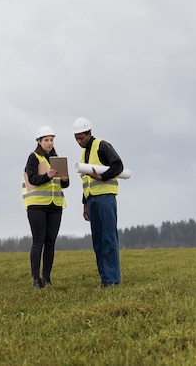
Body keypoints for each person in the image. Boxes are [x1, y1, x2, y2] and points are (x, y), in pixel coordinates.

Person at [73, 117, 123, 287]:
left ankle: (113, 280)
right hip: (92, 200)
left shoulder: (102, 145)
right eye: (77, 138)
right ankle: (105, 279)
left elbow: (118, 166)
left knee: (109, 239)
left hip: (105, 198)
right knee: (98, 242)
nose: (79, 141)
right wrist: (85, 204)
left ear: (90, 133)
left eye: (82, 138)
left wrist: (102, 176)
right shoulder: (83, 153)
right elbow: (86, 182)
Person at [22, 125, 69, 289]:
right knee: (38, 242)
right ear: (39, 141)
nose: (50, 143)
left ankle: (47, 278)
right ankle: (36, 280)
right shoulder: (33, 158)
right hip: (37, 206)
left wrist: (64, 180)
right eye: (46, 140)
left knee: (50, 243)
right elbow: (33, 179)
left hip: (55, 205)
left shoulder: (57, 159)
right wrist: (47, 176)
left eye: (51, 140)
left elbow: (65, 185)